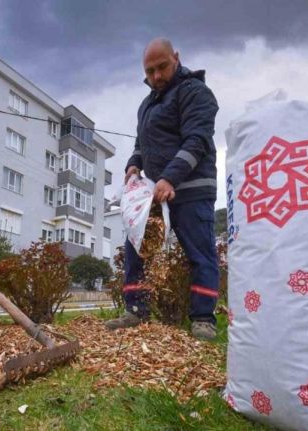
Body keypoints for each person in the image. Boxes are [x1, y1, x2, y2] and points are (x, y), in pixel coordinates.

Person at [105, 38, 220, 340]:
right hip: (153, 193)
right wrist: (132, 164)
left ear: (177, 59)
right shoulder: (147, 105)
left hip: (192, 188)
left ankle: (203, 318)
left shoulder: (195, 92)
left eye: (162, 67)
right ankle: (136, 310)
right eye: (150, 70)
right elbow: (141, 144)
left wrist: (170, 178)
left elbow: (197, 140)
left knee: (200, 253)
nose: (156, 76)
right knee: (137, 248)